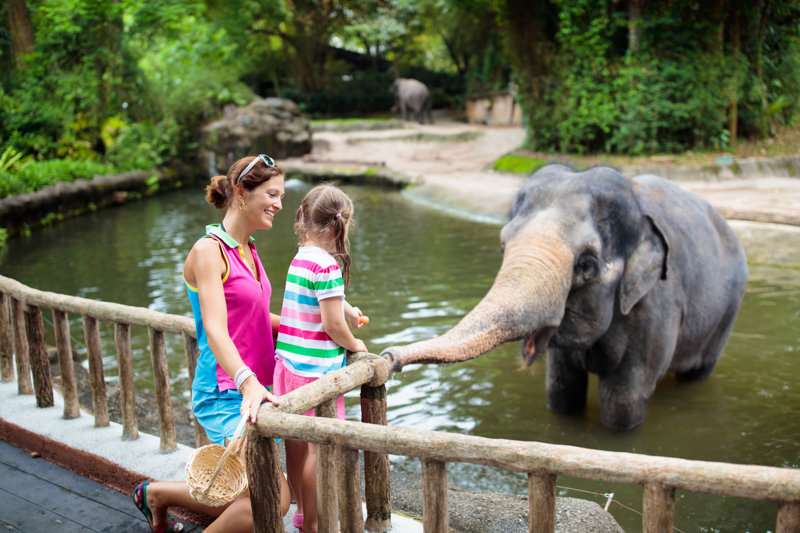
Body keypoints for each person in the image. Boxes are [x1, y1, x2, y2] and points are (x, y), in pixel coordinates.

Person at [131, 154, 291, 533]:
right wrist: (247, 381)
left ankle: (154, 495)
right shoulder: (209, 251)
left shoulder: (248, 249)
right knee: (272, 499)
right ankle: (156, 496)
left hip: (257, 389)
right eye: (272, 194)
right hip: (226, 390)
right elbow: (216, 329)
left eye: (282, 196)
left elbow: (255, 318)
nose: (280, 205)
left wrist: (308, 328)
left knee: (243, 487)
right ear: (240, 193)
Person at [273, 183, 368, 533]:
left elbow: (323, 301)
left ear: (305, 220)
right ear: (339, 226)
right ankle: (311, 523)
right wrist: (355, 343)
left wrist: (347, 306)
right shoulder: (328, 266)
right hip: (315, 374)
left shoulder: (302, 256)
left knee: (297, 446)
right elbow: (332, 325)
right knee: (318, 450)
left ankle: (300, 512)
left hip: (286, 367)